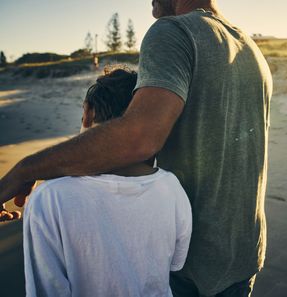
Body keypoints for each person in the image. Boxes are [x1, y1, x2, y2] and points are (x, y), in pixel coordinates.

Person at [0, 1, 272, 296]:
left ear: (88, 113)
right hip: (243, 257)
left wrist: (25, 169)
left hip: (190, 273)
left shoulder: (175, 31)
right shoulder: (250, 49)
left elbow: (140, 136)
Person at [23, 69, 192, 297]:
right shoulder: (171, 187)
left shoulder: (49, 199)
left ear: (87, 113)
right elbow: (174, 264)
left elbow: (46, 289)